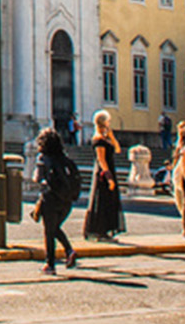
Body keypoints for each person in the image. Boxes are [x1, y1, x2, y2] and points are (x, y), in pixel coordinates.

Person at [31, 127, 79, 274]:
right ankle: (69, 251)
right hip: (67, 201)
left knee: (49, 232)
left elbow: (37, 178)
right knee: (55, 229)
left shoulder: (44, 158)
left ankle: (50, 264)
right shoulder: (65, 159)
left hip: (50, 199)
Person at [82, 110, 125, 241]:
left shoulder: (106, 139)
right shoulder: (98, 140)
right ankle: (101, 232)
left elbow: (118, 149)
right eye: (108, 121)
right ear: (103, 123)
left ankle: (106, 230)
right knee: (102, 202)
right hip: (103, 174)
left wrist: (112, 137)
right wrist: (109, 177)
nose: (109, 123)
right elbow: (101, 160)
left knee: (110, 201)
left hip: (109, 171)